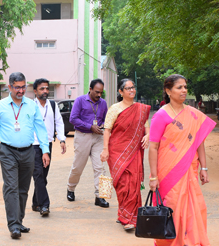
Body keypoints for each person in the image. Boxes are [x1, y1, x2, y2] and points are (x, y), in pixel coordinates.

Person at [148, 74, 216, 246]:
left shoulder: (193, 114)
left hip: (188, 170)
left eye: (185, 87)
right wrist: (153, 176)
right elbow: (153, 147)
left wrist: (204, 167)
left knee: (194, 210)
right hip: (167, 171)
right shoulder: (161, 115)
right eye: (179, 87)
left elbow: (199, 142)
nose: (184, 90)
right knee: (172, 210)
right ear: (168, 91)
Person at [0, 72, 50, 239]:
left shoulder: (31, 105)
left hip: (28, 151)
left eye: (23, 87)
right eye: (17, 87)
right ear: (10, 87)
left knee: (23, 189)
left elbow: (40, 128)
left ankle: (19, 221)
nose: (21, 91)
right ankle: (13, 224)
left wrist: (45, 150)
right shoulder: (0, 106)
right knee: (11, 187)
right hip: (8, 151)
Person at [100, 79, 150, 230]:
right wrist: (105, 149)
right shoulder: (114, 109)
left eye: (133, 87)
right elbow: (107, 130)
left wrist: (148, 135)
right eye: (128, 88)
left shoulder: (140, 109)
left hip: (134, 150)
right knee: (122, 184)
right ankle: (125, 216)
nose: (132, 90)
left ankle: (128, 217)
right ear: (121, 92)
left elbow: (146, 124)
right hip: (117, 150)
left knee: (133, 183)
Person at [66, 79, 109, 208]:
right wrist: (90, 126)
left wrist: (102, 125)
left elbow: (106, 119)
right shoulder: (80, 100)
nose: (99, 95)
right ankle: (70, 188)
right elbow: (73, 118)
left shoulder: (103, 103)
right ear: (90, 89)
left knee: (100, 167)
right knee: (78, 166)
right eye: (97, 92)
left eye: (101, 92)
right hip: (82, 136)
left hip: (98, 137)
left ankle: (100, 196)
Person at [31, 78, 67, 216]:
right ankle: (44, 205)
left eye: (47, 88)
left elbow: (59, 122)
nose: (45, 91)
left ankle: (36, 202)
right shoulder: (30, 105)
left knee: (43, 175)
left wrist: (62, 139)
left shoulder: (52, 105)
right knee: (38, 174)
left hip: (48, 144)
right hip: (33, 144)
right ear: (35, 91)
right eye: (42, 88)